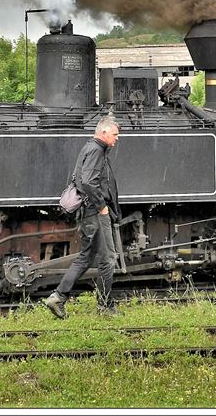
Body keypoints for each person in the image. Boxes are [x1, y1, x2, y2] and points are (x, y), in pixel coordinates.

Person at [44, 117, 122, 319]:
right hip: (96, 213)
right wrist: (102, 206)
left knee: (86, 257)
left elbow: (81, 179)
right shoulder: (96, 150)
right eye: (115, 134)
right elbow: (88, 181)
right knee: (108, 259)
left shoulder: (90, 147)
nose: (117, 138)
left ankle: (58, 297)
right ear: (103, 132)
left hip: (88, 212)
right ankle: (105, 307)